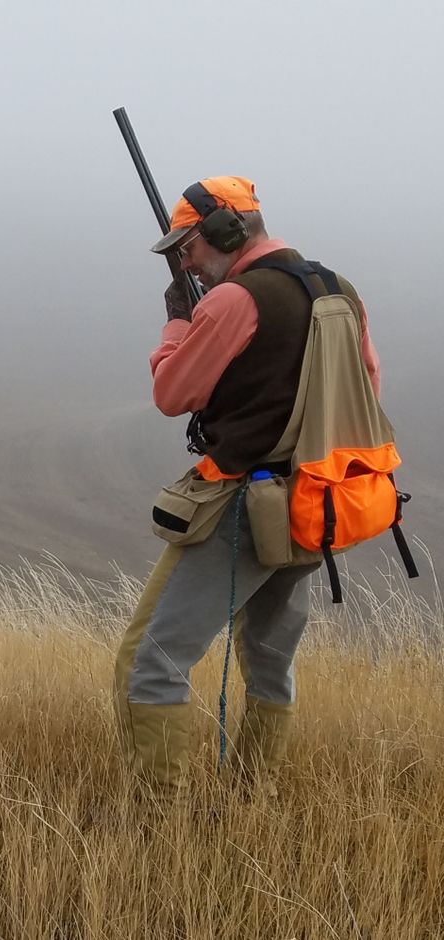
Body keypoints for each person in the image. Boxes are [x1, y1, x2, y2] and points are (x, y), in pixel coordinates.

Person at [112, 176, 381, 804]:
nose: (185, 260)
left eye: (189, 246)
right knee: (268, 660)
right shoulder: (340, 290)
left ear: (227, 231)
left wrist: (178, 325)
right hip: (317, 504)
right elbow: (368, 386)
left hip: (245, 505)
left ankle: (159, 825)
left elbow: (172, 395)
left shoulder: (233, 302)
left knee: (149, 661)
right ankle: (250, 800)